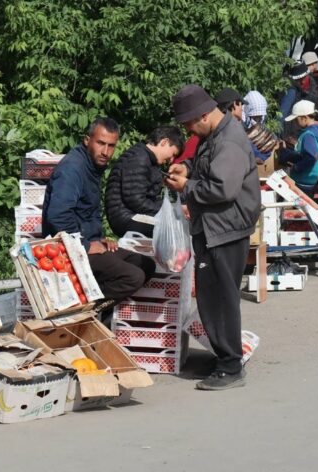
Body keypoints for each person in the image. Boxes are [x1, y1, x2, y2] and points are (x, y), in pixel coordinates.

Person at [166, 84, 260, 391]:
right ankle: (225, 358)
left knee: (220, 300)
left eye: (190, 123)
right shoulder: (215, 135)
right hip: (217, 227)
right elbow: (206, 166)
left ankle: (230, 365)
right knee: (214, 297)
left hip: (225, 229)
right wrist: (187, 167)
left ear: (205, 114)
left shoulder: (229, 140)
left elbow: (222, 188)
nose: (189, 130)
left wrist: (187, 187)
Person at [42, 117, 156, 299]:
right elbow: (57, 216)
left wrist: (100, 238)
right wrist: (85, 245)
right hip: (66, 249)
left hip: (85, 242)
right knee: (132, 277)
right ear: (87, 140)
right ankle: (83, 304)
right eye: (101, 143)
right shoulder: (72, 168)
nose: (105, 152)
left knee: (146, 265)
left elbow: (88, 211)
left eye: (111, 146)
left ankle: (99, 309)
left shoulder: (93, 167)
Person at [105, 125, 184, 238]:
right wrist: (170, 209)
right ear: (164, 142)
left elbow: (146, 199)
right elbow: (136, 201)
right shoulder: (139, 158)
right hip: (125, 217)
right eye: (173, 154)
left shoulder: (147, 158)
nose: (171, 160)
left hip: (129, 214)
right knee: (175, 229)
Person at [279, 100, 318, 195]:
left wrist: (296, 167)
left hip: (303, 178)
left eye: (296, 119)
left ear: (304, 118)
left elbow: (312, 156)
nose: (295, 122)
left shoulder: (308, 135)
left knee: (299, 207)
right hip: (312, 178)